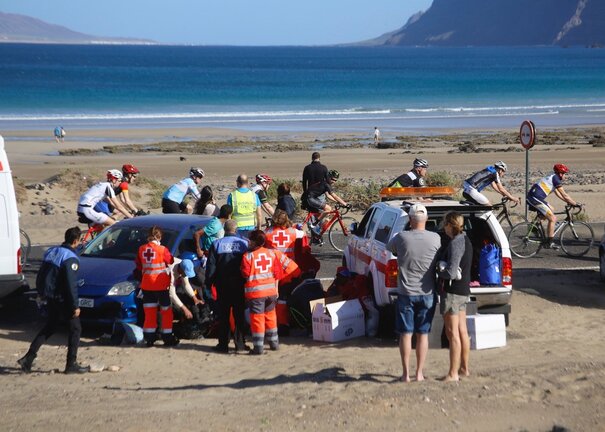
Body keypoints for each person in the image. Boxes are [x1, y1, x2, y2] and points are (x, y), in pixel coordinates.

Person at [18, 227, 89, 374]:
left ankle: (28, 358)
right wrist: (75, 305)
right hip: (62, 298)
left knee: (50, 326)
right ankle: (71, 364)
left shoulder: (52, 251)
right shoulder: (70, 258)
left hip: (50, 296)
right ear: (76, 241)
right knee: (76, 329)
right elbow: (70, 284)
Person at [386, 204, 441, 382]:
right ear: (426, 219)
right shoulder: (436, 238)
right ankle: (419, 373)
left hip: (406, 292)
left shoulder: (401, 237)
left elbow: (390, 248)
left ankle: (405, 374)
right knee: (423, 334)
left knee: (406, 333)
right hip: (427, 292)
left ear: (410, 220)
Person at [241, 230, 300, 355]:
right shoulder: (272, 254)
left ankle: (258, 347)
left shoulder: (247, 257)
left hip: (256, 293)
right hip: (271, 292)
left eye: (250, 240)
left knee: (257, 319)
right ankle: (274, 343)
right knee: (271, 317)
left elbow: (245, 274)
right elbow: (278, 273)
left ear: (253, 242)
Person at [437, 211, 472, 382]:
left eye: (444, 224)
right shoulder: (466, 239)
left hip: (453, 292)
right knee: (462, 331)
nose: (443, 227)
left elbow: (451, 273)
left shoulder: (456, 243)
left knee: (453, 334)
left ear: (450, 225)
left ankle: (453, 373)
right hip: (463, 290)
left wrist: (439, 272)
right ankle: (464, 369)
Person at [205, 219, 250, 353]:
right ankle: (240, 344)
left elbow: (211, 266)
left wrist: (209, 282)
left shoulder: (216, 244)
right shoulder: (244, 243)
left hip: (222, 285)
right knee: (239, 315)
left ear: (224, 230)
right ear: (236, 230)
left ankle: (223, 344)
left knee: (224, 315)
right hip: (239, 284)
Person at [135, 226, 180, 347]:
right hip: (160, 285)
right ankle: (167, 337)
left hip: (147, 285)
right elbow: (170, 260)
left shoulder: (141, 249)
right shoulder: (162, 249)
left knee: (149, 312)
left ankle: (149, 338)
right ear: (159, 237)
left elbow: (138, 265)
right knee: (166, 311)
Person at [526, 163, 579, 249]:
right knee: (553, 218)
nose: (565, 176)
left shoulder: (552, 176)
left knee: (551, 209)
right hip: (535, 198)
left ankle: (534, 226)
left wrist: (568, 202)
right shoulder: (556, 179)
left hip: (534, 197)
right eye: (565, 174)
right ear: (560, 173)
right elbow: (564, 195)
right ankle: (549, 242)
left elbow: (558, 194)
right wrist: (574, 203)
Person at [307, 169, 348, 236]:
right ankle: (314, 224)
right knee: (328, 209)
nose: (333, 181)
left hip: (312, 198)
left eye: (335, 180)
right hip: (310, 198)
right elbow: (335, 196)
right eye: (332, 179)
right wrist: (345, 204)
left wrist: (338, 202)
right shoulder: (326, 184)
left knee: (329, 212)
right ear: (328, 177)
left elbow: (328, 195)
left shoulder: (325, 182)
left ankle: (317, 233)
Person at [169, 256, 203, 320]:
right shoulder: (170, 273)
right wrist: (185, 309)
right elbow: (172, 294)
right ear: (181, 270)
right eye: (186, 273)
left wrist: (195, 298)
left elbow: (186, 284)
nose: (186, 275)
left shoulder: (183, 264)